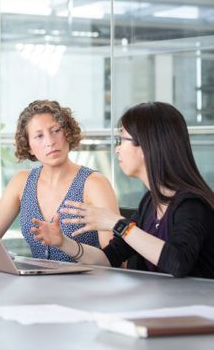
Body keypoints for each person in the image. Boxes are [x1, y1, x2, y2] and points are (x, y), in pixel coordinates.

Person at [31, 102, 214, 278]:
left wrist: (118, 224)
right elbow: (108, 259)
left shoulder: (192, 204)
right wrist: (63, 242)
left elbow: (179, 262)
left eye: (122, 140)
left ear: (146, 146)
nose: (117, 149)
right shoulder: (150, 203)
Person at [0, 99, 119, 262]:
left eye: (56, 131)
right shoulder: (21, 182)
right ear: (28, 146)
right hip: (37, 284)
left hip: (88, 283)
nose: (50, 142)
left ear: (68, 133)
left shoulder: (94, 183)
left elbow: (117, 262)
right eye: (39, 136)